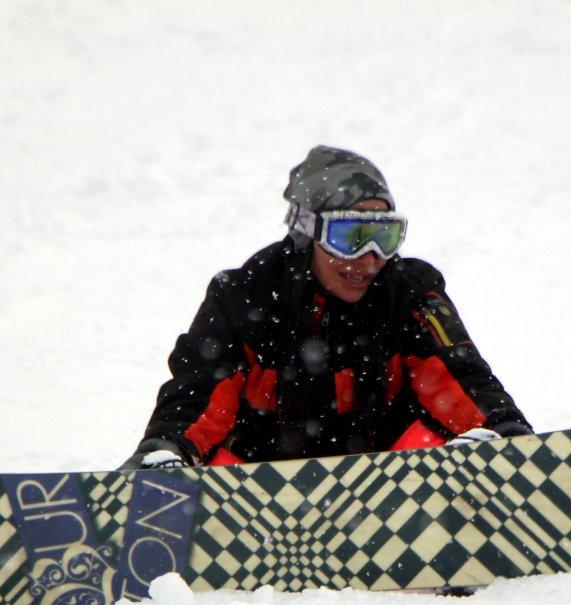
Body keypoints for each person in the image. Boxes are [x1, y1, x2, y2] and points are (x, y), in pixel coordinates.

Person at [120, 145, 531, 471]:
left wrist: (504, 433)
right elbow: (198, 395)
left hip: (392, 483)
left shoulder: (410, 292)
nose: (369, 258)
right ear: (307, 232)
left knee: (471, 444)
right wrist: (168, 446)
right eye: (349, 236)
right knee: (196, 464)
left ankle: (462, 526)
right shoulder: (242, 296)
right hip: (259, 489)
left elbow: (459, 378)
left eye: (384, 237)